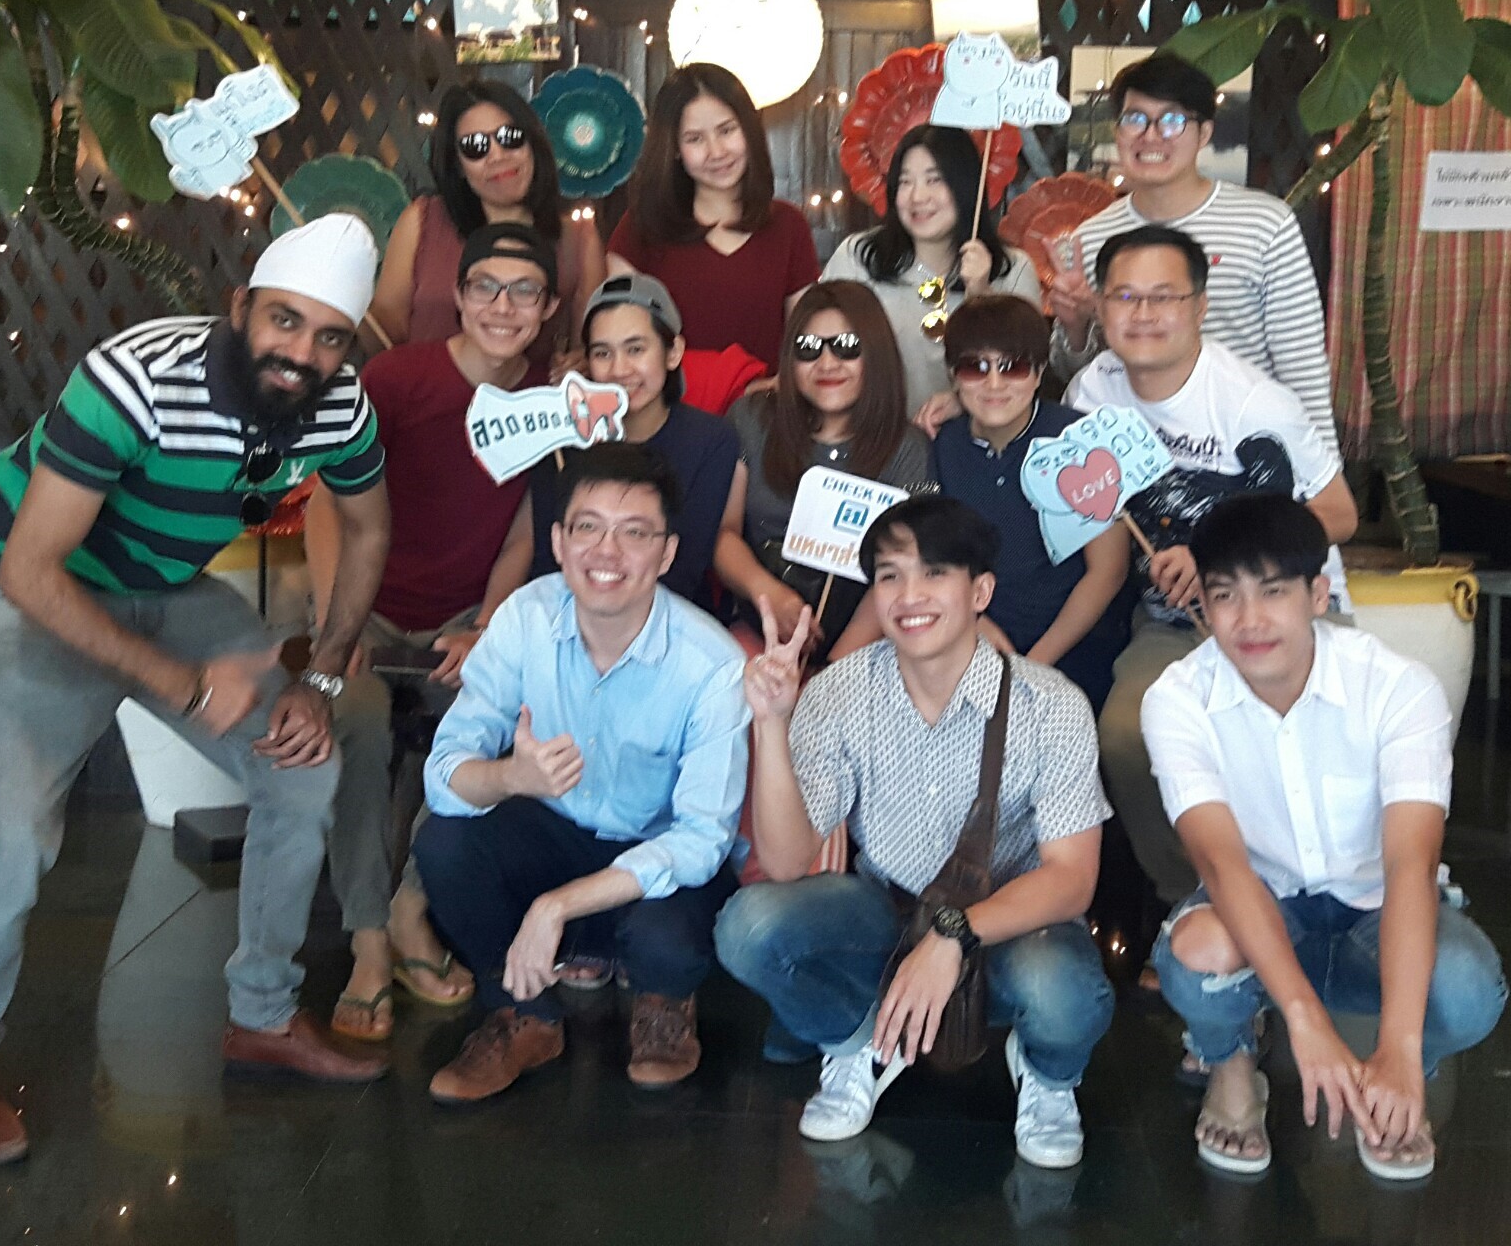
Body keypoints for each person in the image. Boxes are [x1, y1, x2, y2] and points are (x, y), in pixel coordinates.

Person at [0, 216, 396, 1163]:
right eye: (284, 320)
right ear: (240, 307)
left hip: (165, 586)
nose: (303, 353)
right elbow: (31, 572)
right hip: (22, 581)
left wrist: (319, 675)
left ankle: (262, 1016)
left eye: (330, 336)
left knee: (302, 765)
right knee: (12, 833)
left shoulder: (341, 406)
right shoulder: (135, 379)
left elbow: (369, 528)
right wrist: (181, 686)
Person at [722, 495, 1113, 1170]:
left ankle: (1049, 1078)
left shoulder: (1051, 704)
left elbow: (1072, 880)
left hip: (1011, 923)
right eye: (890, 576)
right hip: (887, 911)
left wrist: (952, 935)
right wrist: (772, 722)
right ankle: (856, 1044)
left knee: (1065, 994)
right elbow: (785, 863)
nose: (909, 596)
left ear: (980, 591)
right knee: (748, 927)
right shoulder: (839, 692)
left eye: (935, 573)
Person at [1145, 495, 1507, 1182]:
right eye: (1225, 596)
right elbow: (1222, 867)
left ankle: (1395, 1083)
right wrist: (1304, 1019)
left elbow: (1410, 864)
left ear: (1318, 594)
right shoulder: (1178, 699)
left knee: (1466, 990)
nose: (1250, 620)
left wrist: (1399, 1044)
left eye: (1273, 591)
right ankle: (1232, 1067)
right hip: (1263, 907)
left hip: (1378, 910)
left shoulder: (1398, 688)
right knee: (1197, 955)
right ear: (1205, 605)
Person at [414, 442, 751, 1102]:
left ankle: (663, 1002)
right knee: (444, 843)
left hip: (652, 862)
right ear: (559, 542)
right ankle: (524, 1015)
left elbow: (701, 840)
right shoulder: (524, 619)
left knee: (670, 938)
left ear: (667, 554)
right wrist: (512, 778)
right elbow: (445, 771)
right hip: (553, 835)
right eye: (588, 528)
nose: (607, 551)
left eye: (635, 534)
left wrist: (556, 906)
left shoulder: (710, 663)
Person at [312, 224, 559, 1043]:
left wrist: (487, 626)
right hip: (367, 604)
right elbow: (327, 504)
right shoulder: (395, 378)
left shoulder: (547, 400)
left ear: (548, 307)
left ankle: (410, 906)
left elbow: (524, 529)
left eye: (524, 291)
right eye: (486, 286)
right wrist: (336, 625)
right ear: (457, 295)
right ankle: (367, 938)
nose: (503, 306)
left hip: (463, 615)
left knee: (494, 723)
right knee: (354, 723)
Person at [1067, 225, 1358, 909]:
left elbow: (1339, 513)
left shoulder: (1253, 402)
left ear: (1199, 307)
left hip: (1287, 615)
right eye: (1125, 296)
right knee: (1127, 736)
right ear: (1101, 307)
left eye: (1164, 297)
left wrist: (1220, 558)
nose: (1143, 314)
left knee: (1281, 745)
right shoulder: (1093, 392)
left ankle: (1310, 900)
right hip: (1172, 624)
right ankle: (1195, 902)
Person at [826, 294, 1129, 710]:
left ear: (1039, 372)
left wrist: (1033, 666)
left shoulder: (1079, 441)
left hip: (1073, 644)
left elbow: (1108, 572)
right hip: (966, 636)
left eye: (1013, 367)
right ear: (953, 376)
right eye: (975, 368)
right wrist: (975, 622)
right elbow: (926, 557)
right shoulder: (941, 445)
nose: (994, 384)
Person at [1045, 54, 1334, 440]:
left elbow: (1302, 365)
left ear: (1204, 134)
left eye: (1172, 121)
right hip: (1135, 450)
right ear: (1117, 132)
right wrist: (1076, 327)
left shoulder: (1264, 224)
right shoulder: (1092, 237)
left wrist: (1318, 467)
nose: (1151, 135)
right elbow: (1077, 372)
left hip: (1243, 444)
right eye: (1135, 119)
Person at [523, 273, 779, 618]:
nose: (619, 369)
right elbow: (546, 562)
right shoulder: (563, 439)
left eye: (636, 349)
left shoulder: (710, 440)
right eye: (603, 353)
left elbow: (685, 569)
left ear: (673, 352)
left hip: (674, 620)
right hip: (568, 615)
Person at [730, 281, 932, 651]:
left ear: (876, 353)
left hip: (870, 642)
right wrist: (769, 594)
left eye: (847, 346)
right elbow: (723, 534)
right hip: (757, 623)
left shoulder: (909, 448)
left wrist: (833, 670)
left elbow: (905, 567)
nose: (827, 364)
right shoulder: (751, 419)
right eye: (808, 348)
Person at [371, 80, 606, 369]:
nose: (497, 155)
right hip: (424, 392)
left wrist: (581, 363)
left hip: (529, 396)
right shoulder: (422, 221)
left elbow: (593, 345)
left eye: (510, 137)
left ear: (533, 143)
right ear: (458, 164)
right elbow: (383, 333)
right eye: (475, 147)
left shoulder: (576, 237)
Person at [608, 63, 821, 373]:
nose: (717, 151)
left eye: (726, 130)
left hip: (766, 402)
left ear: (748, 130)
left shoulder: (788, 226)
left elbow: (805, 344)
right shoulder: (641, 227)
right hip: (672, 402)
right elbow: (621, 346)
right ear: (674, 148)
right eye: (695, 139)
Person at [823, 124, 1042, 413]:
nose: (918, 196)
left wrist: (981, 295)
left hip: (973, 436)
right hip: (875, 435)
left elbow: (1024, 370)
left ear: (965, 185)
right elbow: (819, 347)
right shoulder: (858, 258)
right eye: (905, 182)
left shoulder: (1012, 270)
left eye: (934, 180)